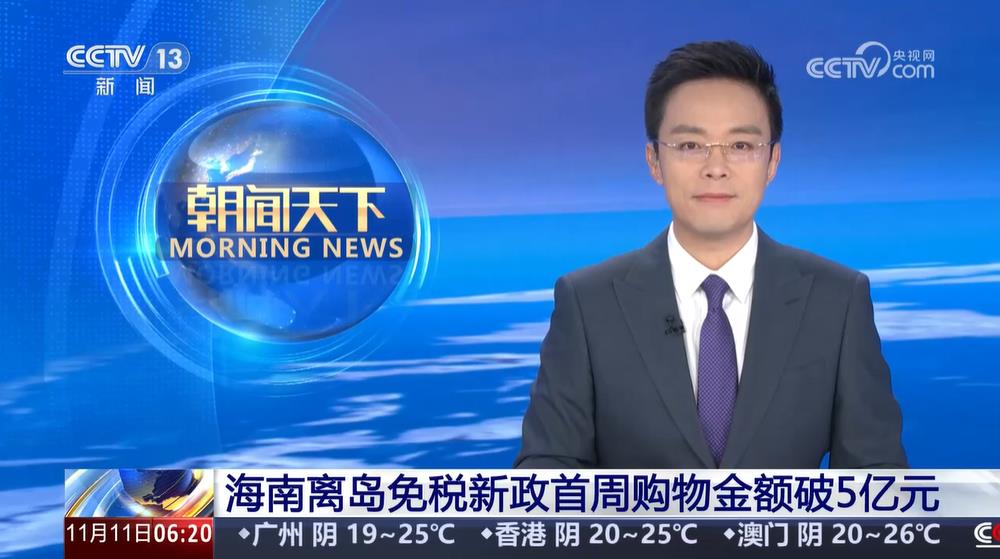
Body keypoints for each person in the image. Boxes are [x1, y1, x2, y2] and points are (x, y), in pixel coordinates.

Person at [514, 40, 907, 469]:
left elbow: (878, 481)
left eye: (741, 146)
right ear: (654, 161)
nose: (715, 168)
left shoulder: (836, 300)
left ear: (772, 161)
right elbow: (547, 475)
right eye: (690, 146)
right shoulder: (588, 303)